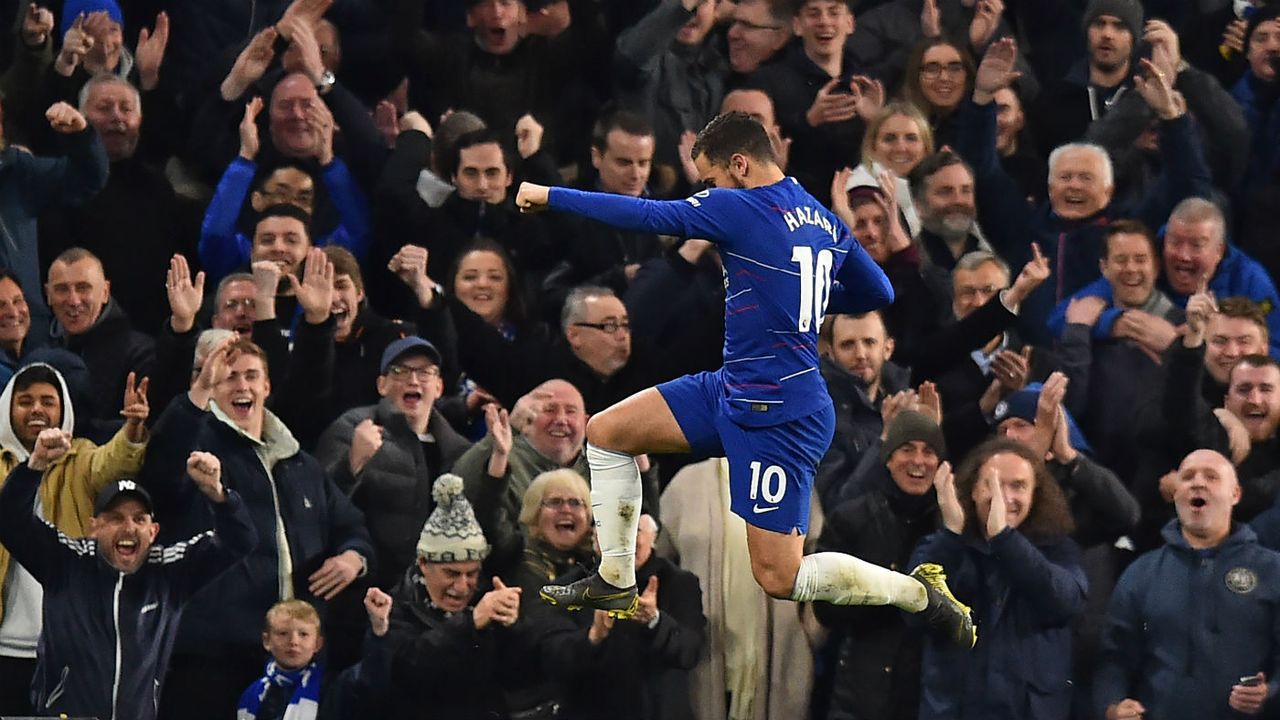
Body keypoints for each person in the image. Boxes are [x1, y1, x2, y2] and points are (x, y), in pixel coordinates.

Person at [516, 111, 974, 646]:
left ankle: (915, 591)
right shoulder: (820, 217)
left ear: (739, 164)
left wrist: (550, 195)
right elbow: (879, 292)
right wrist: (809, 297)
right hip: (733, 388)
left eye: (709, 180)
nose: (706, 193)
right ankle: (616, 580)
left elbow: (644, 213)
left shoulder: (738, 204)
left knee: (780, 576)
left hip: (781, 417)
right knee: (606, 433)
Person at [0, 436, 255, 720]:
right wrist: (34, 466)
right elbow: (10, 519)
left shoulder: (170, 572)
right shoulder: (66, 561)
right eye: (116, 518)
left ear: (153, 531)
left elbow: (240, 541)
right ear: (94, 527)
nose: (129, 527)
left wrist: (218, 494)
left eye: (139, 519)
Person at [1094, 449, 1280, 719]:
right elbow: (1113, 658)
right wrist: (1112, 706)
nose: (1198, 482)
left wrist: (1270, 692)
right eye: (1188, 477)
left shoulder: (1272, 570)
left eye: (1212, 477)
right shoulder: (1142, 573)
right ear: (1176, 494)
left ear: (1235, 494)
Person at [913, 439, 1086, 719]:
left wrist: (1005, 540)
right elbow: (916, 612)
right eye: (991, 483)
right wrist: (951, 537)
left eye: (1017, 485)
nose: (1004, 497)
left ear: (1035, 494)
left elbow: (1066, 603)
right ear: (972, 490)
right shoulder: (941, 546)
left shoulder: (1059, 549)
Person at [315, 336, 471, 589]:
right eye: (400, 371)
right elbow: (318, 505)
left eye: (424, 373)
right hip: (368, 585)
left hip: (436, 591)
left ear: (439, 387)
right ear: (382, 385)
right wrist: (352, 462)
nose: (413, 380)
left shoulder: (458, 449)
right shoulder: (353, 428)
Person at [236, 600, 325, 720]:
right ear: (267, 641)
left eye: (303, 634)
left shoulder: (329, 690)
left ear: (317, 644)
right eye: (283, 633)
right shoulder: (253, 693)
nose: (293, 641)